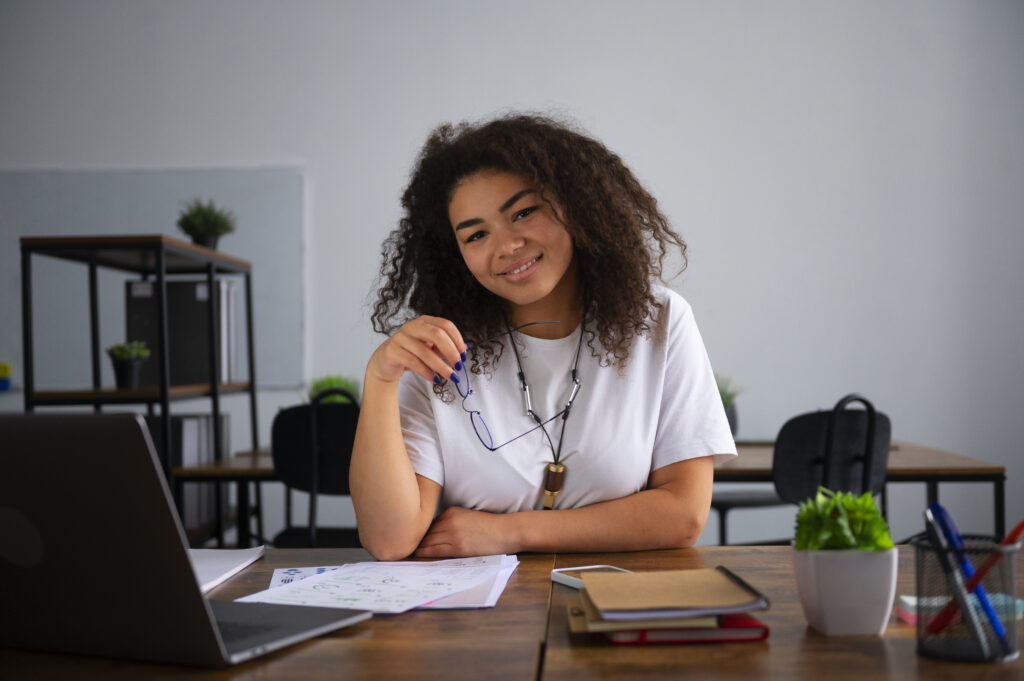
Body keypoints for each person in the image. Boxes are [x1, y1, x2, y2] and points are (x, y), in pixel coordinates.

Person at [350, 113, 736, 561]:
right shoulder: (440, 349)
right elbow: (389, 540)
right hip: (480, 621)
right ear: (454, 255)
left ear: (576, 204)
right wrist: (380, 379)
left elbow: (683, 515)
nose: (507, 245)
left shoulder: (660, 320)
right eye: (476, 234)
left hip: (621, 601)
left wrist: (509, 533)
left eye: (524, 212)